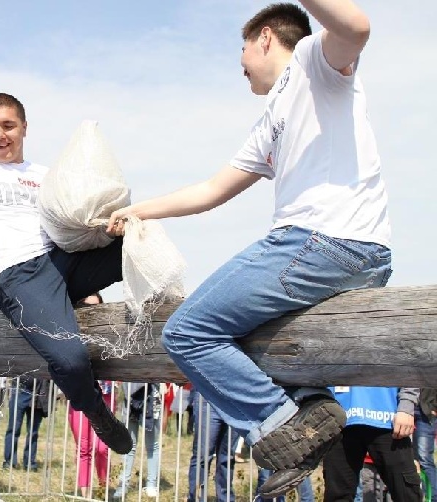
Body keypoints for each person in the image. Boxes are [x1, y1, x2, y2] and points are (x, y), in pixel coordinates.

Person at [108, 1, 391, 496]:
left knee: (188, 331)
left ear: (264, 37)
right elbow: (212, 190)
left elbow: (357, 26)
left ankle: (284, 425)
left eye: (242, 47)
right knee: (250, 334)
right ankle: (309, 399)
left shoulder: (312, 61)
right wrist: (139, 212)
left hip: (321, 240)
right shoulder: (272, 119)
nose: (239, 62)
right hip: (351, 252)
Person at [0, 92, 131, 455]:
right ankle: (94, 411)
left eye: (8, 126)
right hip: (16, 272)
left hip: (61, 259)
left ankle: (157, 309)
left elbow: (72, 221)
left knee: (135, 237)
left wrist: (107, 228)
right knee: (70, 359)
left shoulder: (43, 175)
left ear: (24, 128)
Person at [323, 386, 421, 501]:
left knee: (406, 493)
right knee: (336, 495)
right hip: (338, 418)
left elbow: (410, 370)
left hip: (388, 417)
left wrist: (406, 405)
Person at [68, 292, 115, 497]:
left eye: (96, 307)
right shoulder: (71, 333)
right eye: (86, 307)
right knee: (84, 448)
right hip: (80, 395)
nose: (92, 311)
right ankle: (86, 496)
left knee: (103, 448)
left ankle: (103, 490)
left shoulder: (110, 332)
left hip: (105, 396)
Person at [186, 387, 240, 502]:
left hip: (235, 399)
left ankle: (225, 498)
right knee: (202, 455)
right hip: (207, 396)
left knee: (227, 457)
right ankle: (196, 497)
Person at [113, 382, 162, 499]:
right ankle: (123, 484)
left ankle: (151, 484)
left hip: (151, 395)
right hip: (130, 396)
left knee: (152, 446)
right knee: (129, 445)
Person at [3, 375, 50, 472]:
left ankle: (30, 463)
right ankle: (9, 462)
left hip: (39, 391)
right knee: (13, 429)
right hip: (20, 388)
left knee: (33, 432)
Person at [414, 388, 437, 502]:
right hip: (404, 408)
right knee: (407, 460)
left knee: (425, 459)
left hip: (425, 411)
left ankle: (434, 498)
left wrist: (434, 407)